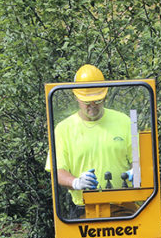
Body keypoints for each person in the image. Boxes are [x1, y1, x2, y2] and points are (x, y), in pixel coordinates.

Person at [50, 64, 133, 215]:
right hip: (83, 210)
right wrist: (76, 182)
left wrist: (137, 172)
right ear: (76, 97)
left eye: (98, 100)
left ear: (105, 95)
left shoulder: (124, 121)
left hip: (124, 208)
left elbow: (141, 160)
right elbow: (58, 172)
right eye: (87, 102)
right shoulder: (63, 129)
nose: (93, 106)